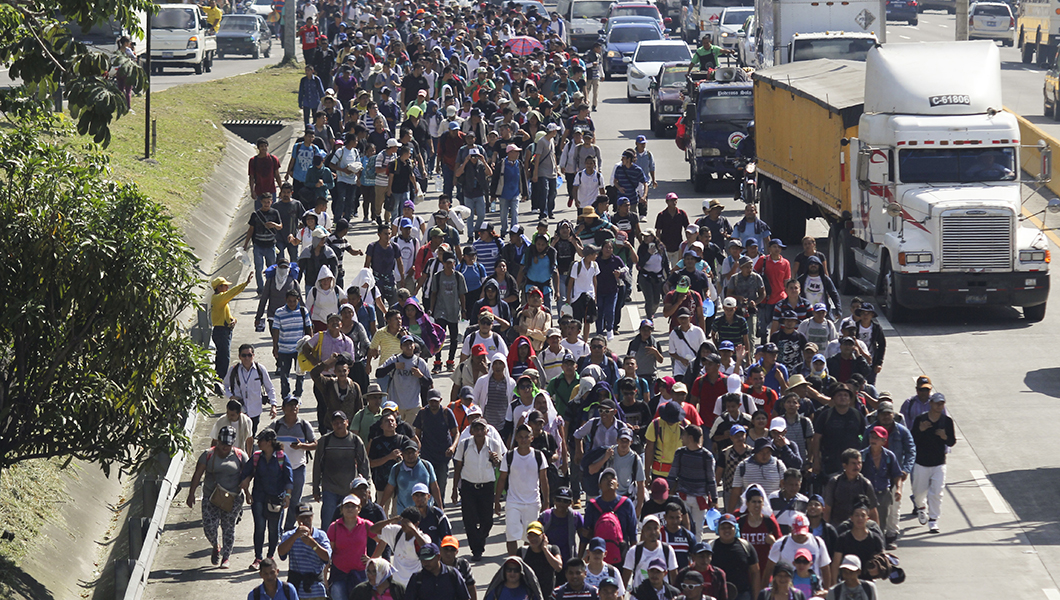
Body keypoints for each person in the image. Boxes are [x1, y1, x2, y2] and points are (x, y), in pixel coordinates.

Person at [185, 426, 247, 569]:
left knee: (228, 527)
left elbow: (248, 475)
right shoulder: (208, 455)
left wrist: (248, 493)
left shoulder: (240, 455)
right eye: (223, 443)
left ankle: (226, 557)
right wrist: (191, 493)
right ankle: (215, 545)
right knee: (209, 527)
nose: (225, 447)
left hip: (233, 498)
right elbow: (197, 475)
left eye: (228, 444)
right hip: (211, 496)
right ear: (218, 441)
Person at [240, 429, 294, 571]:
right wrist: (247, 492)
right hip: (259, 497)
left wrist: (287, 497)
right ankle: (258, 558)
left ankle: (270, 557)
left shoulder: (282, 457)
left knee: (274, 529)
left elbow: (289, 478)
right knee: (259, 527)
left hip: (276, 499)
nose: (258, 443)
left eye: (261, 440)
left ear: (269, 442)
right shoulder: (257, 457)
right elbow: (246, 474)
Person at [497, 424, 551, 555]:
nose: (523, 440)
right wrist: (497, 500)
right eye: (520, 437)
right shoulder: (509, 456)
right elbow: (502, 479)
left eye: (526, 437)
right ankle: (514, 560)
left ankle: (527, 561)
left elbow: (544, 480)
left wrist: (546, 502)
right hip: (513, 502)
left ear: (532, 438)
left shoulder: (538, 456)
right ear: (516, 438)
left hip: (533, 502)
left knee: (531, 536)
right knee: (511, 534)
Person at [327, 495, 396, 598]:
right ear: (341, 509)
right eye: (347, 506)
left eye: (353, 506)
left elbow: (383, 540)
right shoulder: (334, 527)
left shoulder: (365, 525)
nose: (350, 509)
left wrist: (372, 560)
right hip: (339, 574)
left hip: (361, 574)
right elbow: (328, 552)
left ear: (359, 509)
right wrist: (325, 576)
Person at [265, 397, 317, 531]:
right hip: (279, 469)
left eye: (295, 405)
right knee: (280, 500)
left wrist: (302, 446)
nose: (293, 407)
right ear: (283, 408)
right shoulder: (276, 425)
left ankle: (288, 529)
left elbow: (315, 444)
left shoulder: (304, 425)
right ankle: (277, 530)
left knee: (294, 501)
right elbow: (264, 441)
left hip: (298, 468)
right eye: (290, 405)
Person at [911, 391, 956, 534]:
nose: (939, 406)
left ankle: (933, 520)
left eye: (942, 403)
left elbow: (952, 441)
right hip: (921, 462)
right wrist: (921, 429)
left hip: (939, 463)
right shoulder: (921, 419)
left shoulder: (947, 421)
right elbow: (912, 439)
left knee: (936, 492)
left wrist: (944, 437)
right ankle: (921, 507)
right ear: (931, 404)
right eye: (937, 403)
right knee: (918, 493)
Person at [858, 427, 902, 548]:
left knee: (881, 523)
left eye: (877, 438)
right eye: (872, 437)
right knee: (863, 521)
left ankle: (879, 548)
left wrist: (898, 489)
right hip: (865, 495)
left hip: (883, 494)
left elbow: (897, 475)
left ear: (884, 441)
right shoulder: (862, 456)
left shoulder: (889, 456)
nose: (873, 440)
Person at [276, 503, 331, 600]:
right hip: (295, 588)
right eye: (302, 517)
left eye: (308, 517)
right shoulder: (289, 535)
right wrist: (295, 536)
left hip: (316, 588)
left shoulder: (321, 535)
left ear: (312, 516)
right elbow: (281, 553)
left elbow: (327, 557)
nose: (306, 520)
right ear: (297, 518)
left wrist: (312, 544)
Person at [372, 507, 434, 586]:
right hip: (397, 584)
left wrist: (413, 530)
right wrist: (390, 520)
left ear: (417, 524)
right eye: (402, 523)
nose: (403, 526)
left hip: (414, 584)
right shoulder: (397, 532)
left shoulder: (423, 537)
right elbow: (373, 530)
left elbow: (427, 549)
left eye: (406, 524)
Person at [224, 344, 277, 435]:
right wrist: (231, 396)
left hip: (255, 411)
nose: (247, 358)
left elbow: (270, 388)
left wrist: (273, 405)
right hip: (239, 411)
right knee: (238, 436)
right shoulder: (234, 370)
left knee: (251, 436)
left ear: (253, 356)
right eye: (244, 355)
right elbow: (224, 386)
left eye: (249, 355)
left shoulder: (260, 369)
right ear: (239, 357)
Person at [210, 273, 252, 383]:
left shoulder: (219, 300)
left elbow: (226, 315)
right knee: (224, 358)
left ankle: (219, 379)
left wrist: (233, 320)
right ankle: (220, 380)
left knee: (222, 357)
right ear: (218, 287)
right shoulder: (219, 298)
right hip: (222, 332)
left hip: (224, 330)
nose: (227, 287)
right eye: (224, 285)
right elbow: (232, 293)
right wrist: (245, 284)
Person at [623, 515, 678, 589]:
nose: (653, 532)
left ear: (660, 530)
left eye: (656, 528)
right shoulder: (634, 551)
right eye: (648, 528)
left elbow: (674, 577)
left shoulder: (667, 549)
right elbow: (625, 579)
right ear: (643, 531)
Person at [405, 542, 472, 600]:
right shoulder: (417, 578)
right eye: (423, 560)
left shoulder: (452, 574)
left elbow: (464, 597)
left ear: (438, 557)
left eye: (429, 559)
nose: (425, 563)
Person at [440, 536, 478, 600]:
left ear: (456, 552)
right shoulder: (435, 566)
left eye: (452, 550)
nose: (448, 553)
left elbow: (471, 586)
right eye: (446, 549)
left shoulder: (463, 564)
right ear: (440, 549)